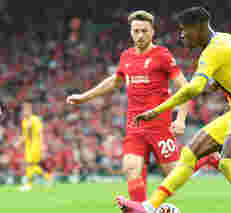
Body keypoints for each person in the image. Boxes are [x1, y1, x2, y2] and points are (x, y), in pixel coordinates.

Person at [116, 7, 231, 213]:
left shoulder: (211, 52)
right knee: (189, 153)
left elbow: (194, 88)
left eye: (184, 29)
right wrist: (230, 77)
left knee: (227, 164)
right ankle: (148, 207)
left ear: (198, 28)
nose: (182, 35)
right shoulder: (230, 39)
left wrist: (157, 111)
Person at [67, 10, 217, 209]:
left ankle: (206, 158)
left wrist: (180, 119)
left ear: (152, 32)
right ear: (130, 32)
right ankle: (141, 208)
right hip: (134, 125)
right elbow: (115, 81)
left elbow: (185, 87)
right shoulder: (126, 56)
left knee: (175, 174)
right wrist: (84, 97)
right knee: (130, 168)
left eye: (144, 31)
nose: (140, 35)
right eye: (136, 31)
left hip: (159, 124)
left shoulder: (162, 55)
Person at [15, 100, 52, 191]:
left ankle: (29, 184)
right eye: (23, 110)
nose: (24, 112)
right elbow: (25, 136)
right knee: (32, 165)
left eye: (26, 109)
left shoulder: (35, 119)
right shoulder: (24, 122)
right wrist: (19, 142)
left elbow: (40, 133)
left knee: (30, 165)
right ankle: (48, 177)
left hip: (35, 145)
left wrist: (42, 145)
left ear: (30, 110)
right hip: (28, 146)